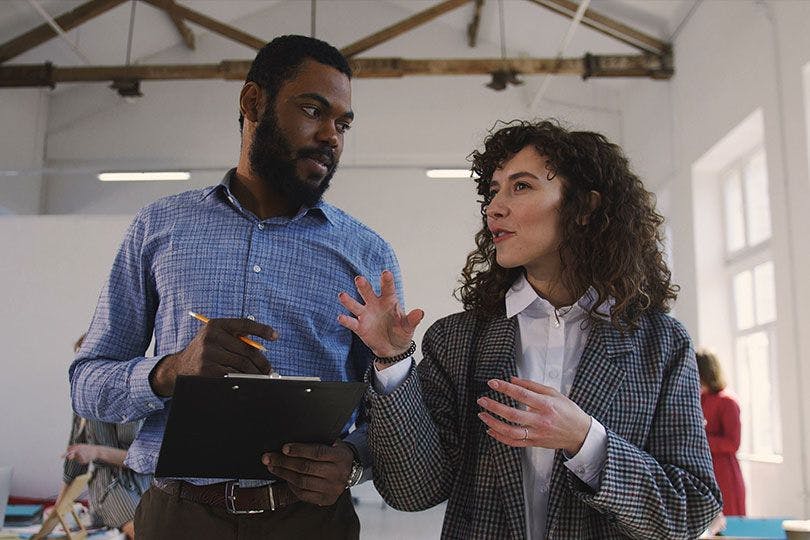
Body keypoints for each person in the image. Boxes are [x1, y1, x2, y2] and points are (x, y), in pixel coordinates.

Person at [69, 35, 405, 539]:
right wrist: (171, 370)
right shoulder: (159, 228)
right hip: (178, 517)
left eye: (343, 123)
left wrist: (354, 459)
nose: (331, 136)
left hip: (311, 521)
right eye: (313, 110)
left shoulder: (368, 256)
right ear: (253, 103)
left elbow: (388, 410)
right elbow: (87, 385)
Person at [337, 119, 722, 539]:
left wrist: (585, 441)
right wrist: (392, 362)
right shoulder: (457, 340)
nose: (494, 207)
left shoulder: (662, 344)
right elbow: (412, 492)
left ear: (585, 208)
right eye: (493, 191)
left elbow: (691, 509)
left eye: (520, 186)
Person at [57, 335, 150, 539]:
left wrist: (97, 451)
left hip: (144, 482)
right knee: (144, 532)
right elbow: (74, 462)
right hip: (108, 485)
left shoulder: (141, 396)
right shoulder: (83, 402)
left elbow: (145, 460)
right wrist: (58, 509)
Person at [696, 348, 745, 517]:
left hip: (724, 472)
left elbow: (733, 443)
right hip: (704, 469)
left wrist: (699, 440)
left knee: (728, 523)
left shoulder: (727, 401)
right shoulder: (699, 398)